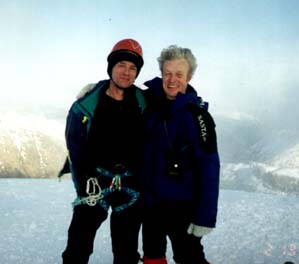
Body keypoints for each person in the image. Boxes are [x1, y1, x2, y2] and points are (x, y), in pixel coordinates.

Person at [59, 38, 145, 264]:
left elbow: (169, 97)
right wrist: (85, 185)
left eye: (133, 68)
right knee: (78, 247)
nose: (126, 72)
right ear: (111, 68)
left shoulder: (143, 102)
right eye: (121, 65)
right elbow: (75, 150)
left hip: (130, 184)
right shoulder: (85, 106)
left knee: (126, 252)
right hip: (94, 181)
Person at [141, 45, 220, 264]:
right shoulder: (149, 103)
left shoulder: (199, 118)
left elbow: (209, 168)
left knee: (189, 258)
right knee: (152, 257)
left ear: (189, 76)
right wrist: (93, 91)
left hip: (182, 208)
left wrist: (205, 217)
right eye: (167, 73)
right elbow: (118, 91)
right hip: (151, 206)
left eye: (179, 74)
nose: (172, 80)